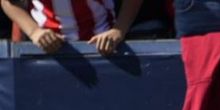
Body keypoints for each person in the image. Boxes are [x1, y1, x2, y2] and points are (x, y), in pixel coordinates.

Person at [3, 0, 143, 53]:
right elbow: (8, 2)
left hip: (103, 48)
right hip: (47, 51)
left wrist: (118, 30)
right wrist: (34, 32)